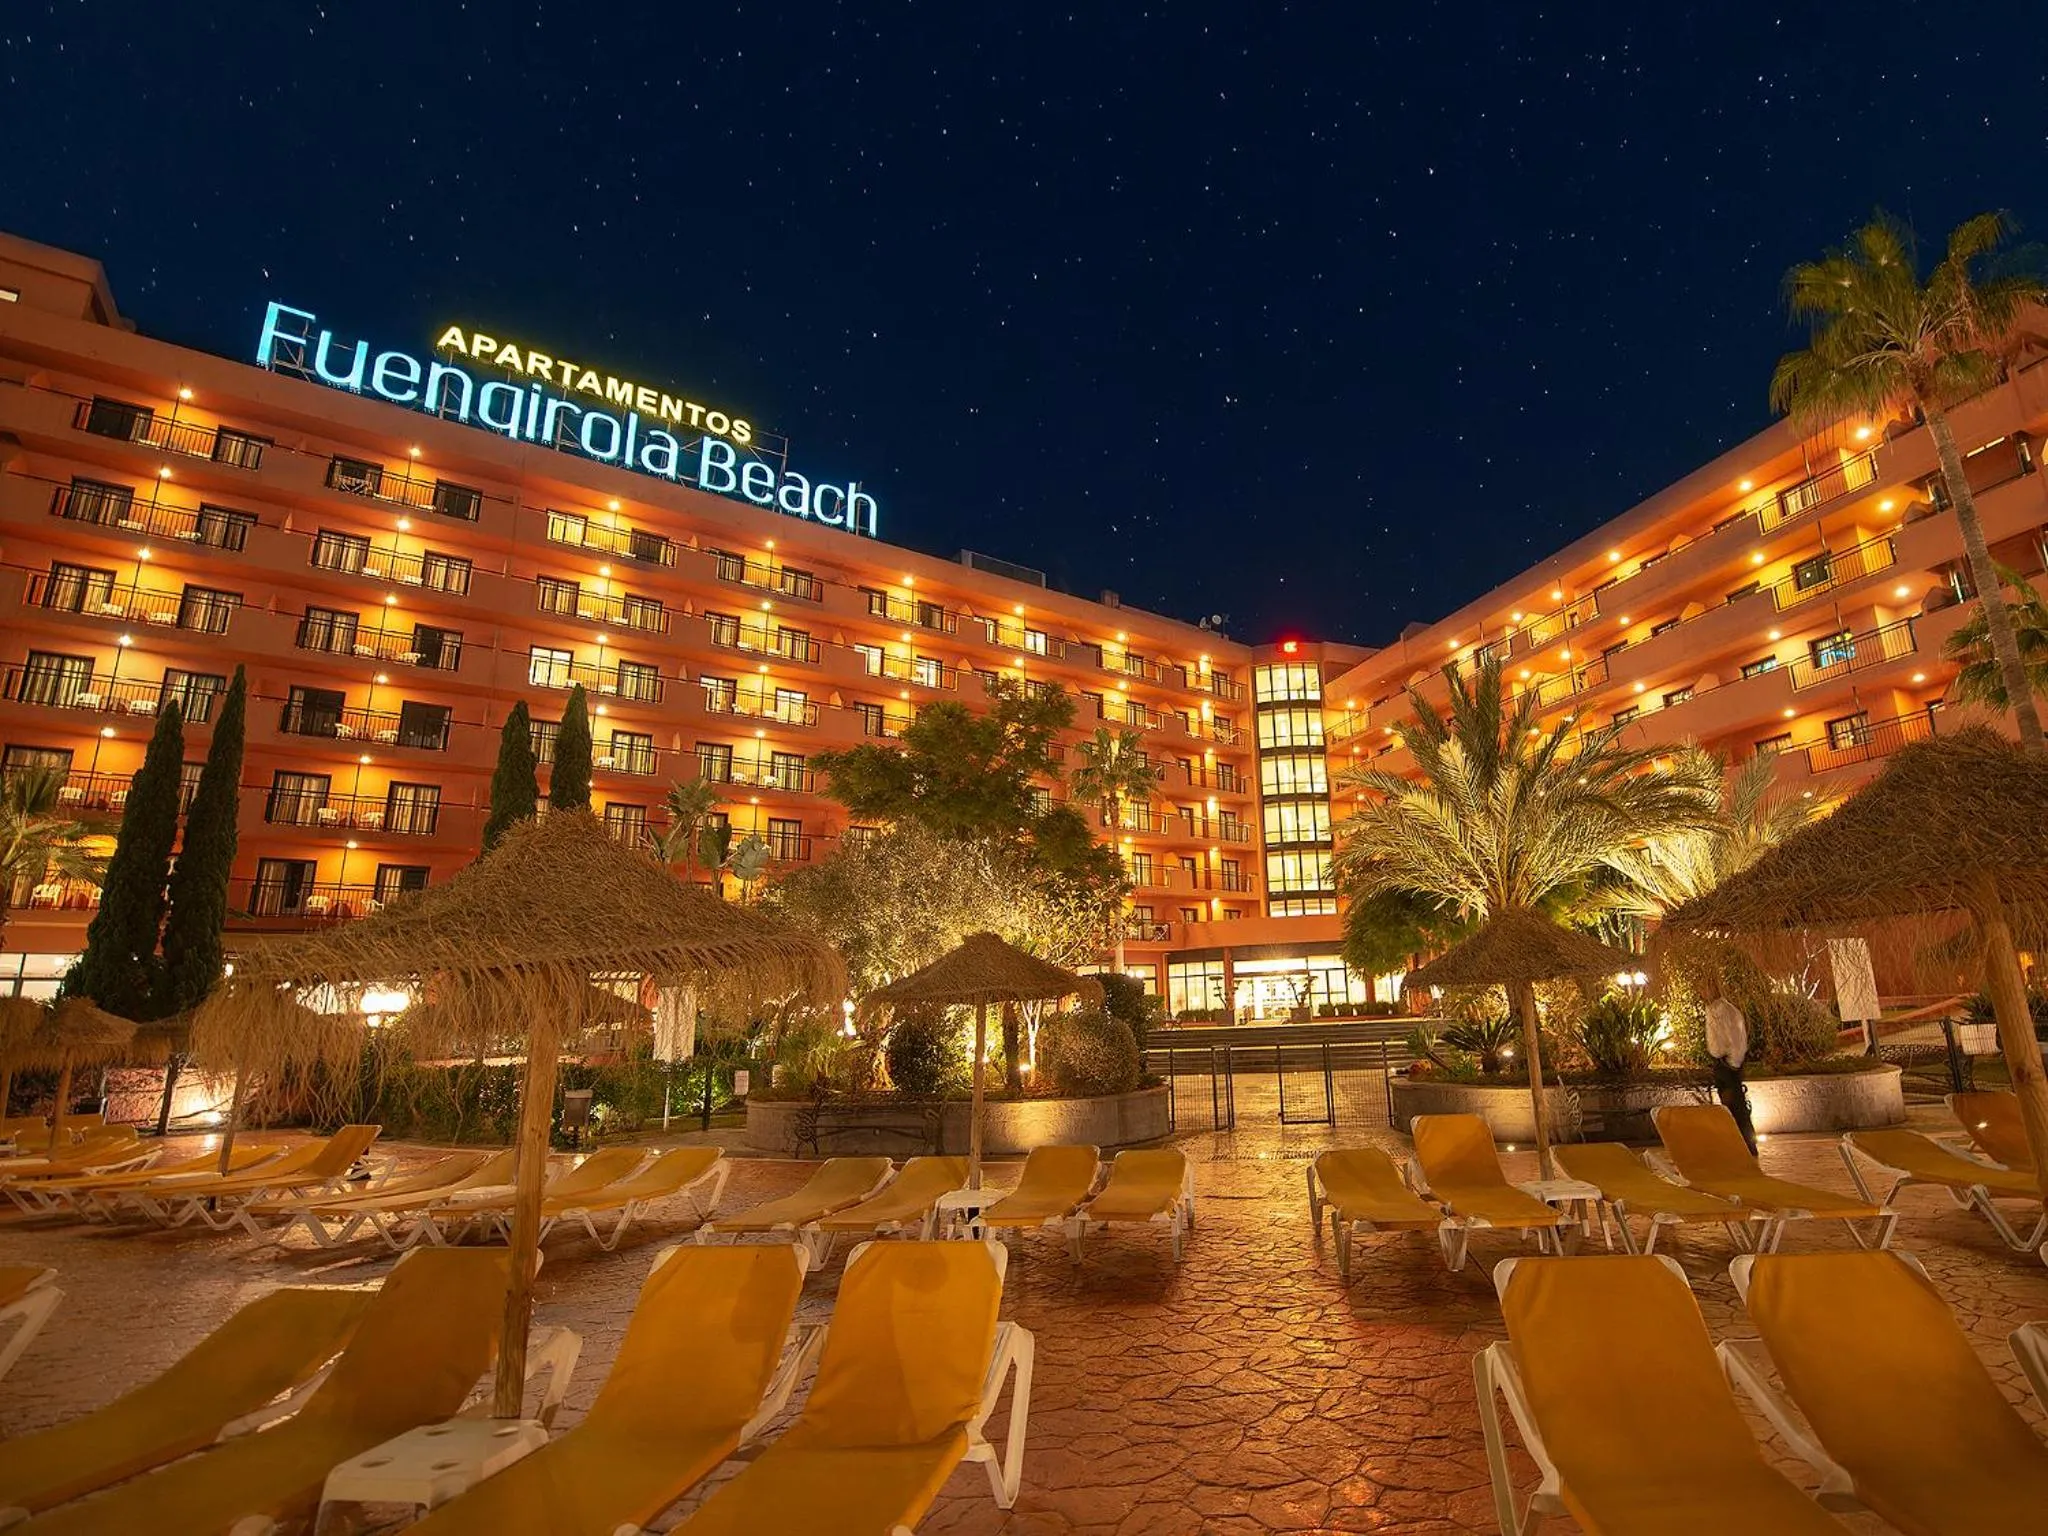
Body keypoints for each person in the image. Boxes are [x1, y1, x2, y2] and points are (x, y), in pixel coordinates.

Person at [1701, 974, 1758, 1154]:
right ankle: (1737, 1143)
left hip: (1728, 1063)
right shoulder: (1712, 1010)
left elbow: (1736, 1038)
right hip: (1720, 1062)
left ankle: (1747, 1145)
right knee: (1729, 1106)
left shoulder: (1725, 1011)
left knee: (1736, 1106)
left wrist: (1733, 1064)